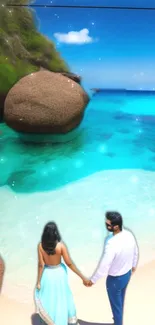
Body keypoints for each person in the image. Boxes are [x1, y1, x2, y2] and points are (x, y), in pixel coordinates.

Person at [85, 211, 139, 325]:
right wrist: (133, 266)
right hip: (127, 275)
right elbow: (136, 252)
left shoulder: (111, 242)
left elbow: (104, 265)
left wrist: (93, 280)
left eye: (108, 225)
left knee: (116, 308)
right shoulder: (129, 234)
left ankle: (118, 322)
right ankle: (118, 321)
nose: (106, 226)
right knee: (120, 303)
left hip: (115, 280)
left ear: (116, 226)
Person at [34, 222, 89, 325]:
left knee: (49, 297)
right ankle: (65, 320)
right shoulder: (60, 246)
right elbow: (69, 263)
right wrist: (82, 277)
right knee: (62, 296)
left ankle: (50, 320)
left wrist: (38, 281)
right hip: (59, 274)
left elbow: (41, 264)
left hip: (47, 274)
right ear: (55, 233)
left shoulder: (40, 246)